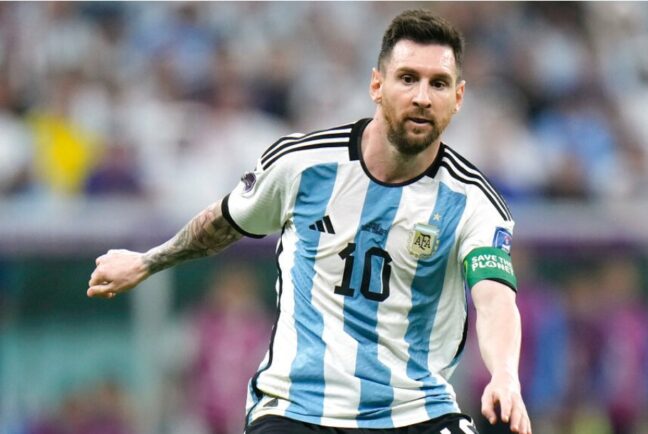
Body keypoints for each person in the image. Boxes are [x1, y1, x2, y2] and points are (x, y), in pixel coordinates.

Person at [87, 9, 531, 434]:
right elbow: (224, 220)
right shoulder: (304, 165)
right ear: (377, 85)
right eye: (407, 78)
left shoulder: (474, 203)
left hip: (416, 412)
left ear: (458, 98)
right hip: (297, 410)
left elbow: (494, 302)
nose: (421, 97)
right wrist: (147, 262)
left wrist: (505, 375)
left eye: (438, 84)